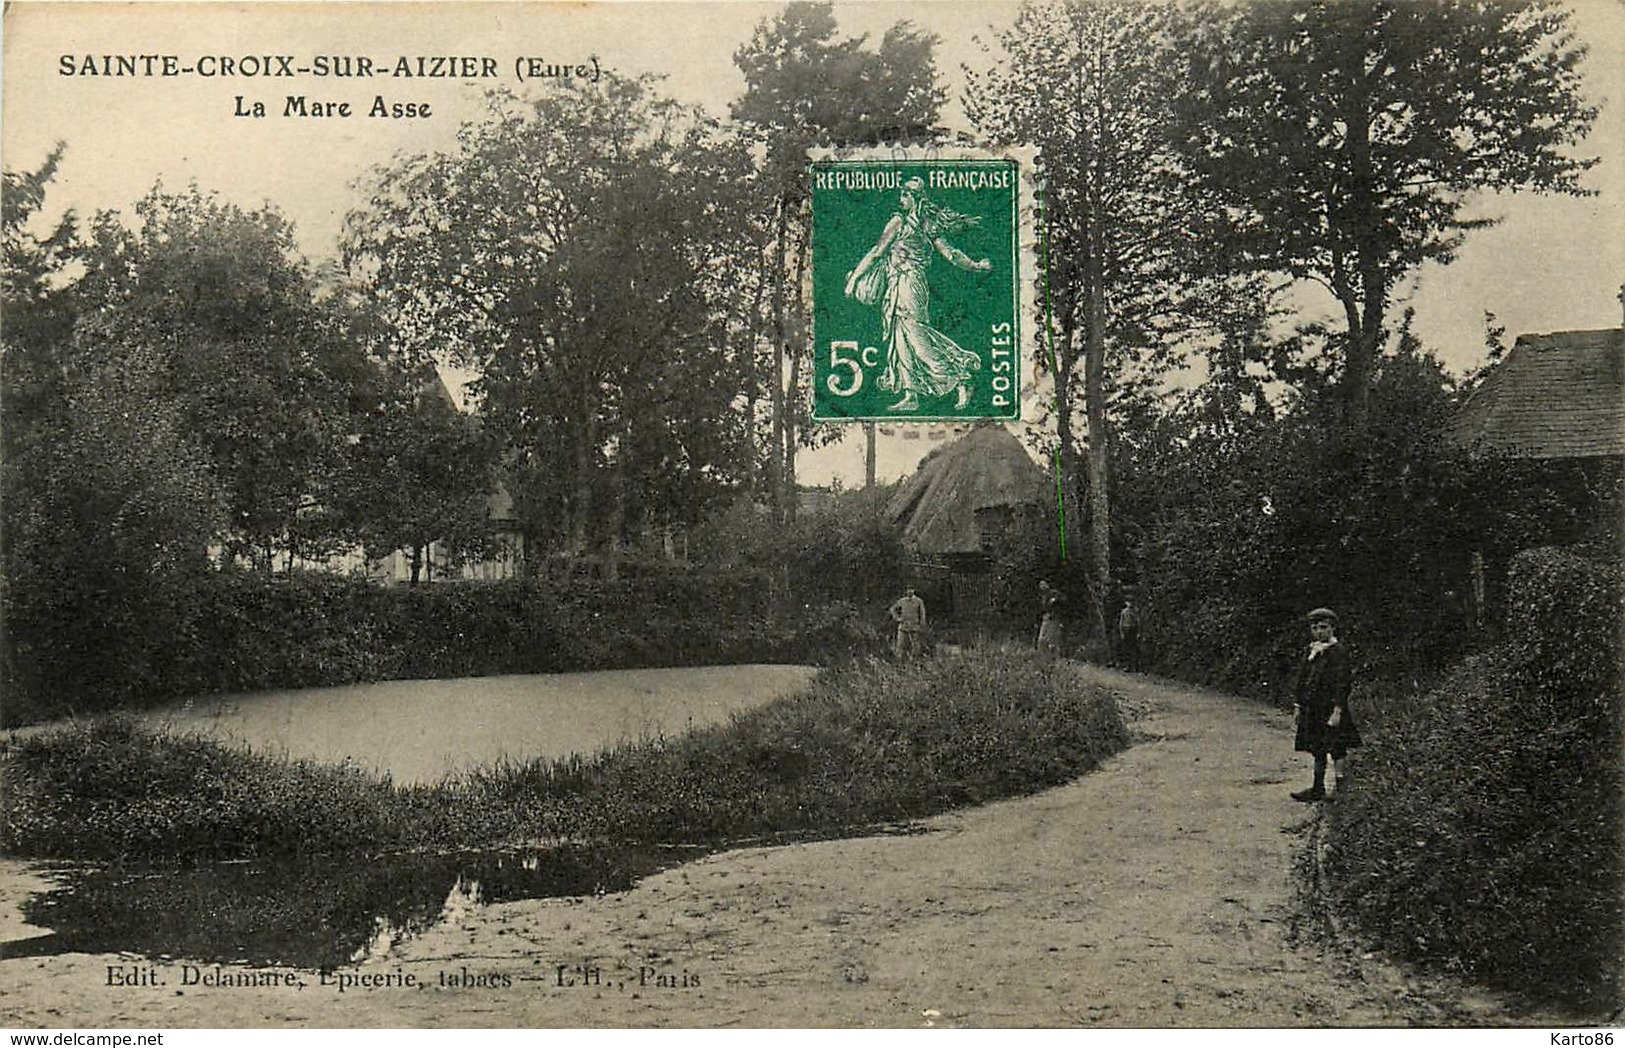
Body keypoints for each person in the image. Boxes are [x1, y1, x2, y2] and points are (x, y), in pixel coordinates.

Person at [843, 177, 991, 412]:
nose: (900, 199)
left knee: (916, 336)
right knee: (899, 337)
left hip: (910, 284)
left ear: (913, 198)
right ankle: (911, 394)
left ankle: (961, 376)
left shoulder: (911, 223)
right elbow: (878, 252)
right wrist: (976, 266)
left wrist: (975, 266)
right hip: (897, 284)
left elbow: (949, 254)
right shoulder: (909, 223)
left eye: (904, 195)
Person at [1291, 607, 1361, 802]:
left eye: (1324, 627)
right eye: (1315, 628)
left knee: (1337, 747)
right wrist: (1298, 705)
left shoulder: (1338, 652)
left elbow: (1342, 683)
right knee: (1317, 747)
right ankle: (1317, 788)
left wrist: (1337, 710)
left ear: (1332, 628)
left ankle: (1341, 790)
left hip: (1330, 708)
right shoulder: (1312, 651)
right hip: (1313, 709)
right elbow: (1301, 680)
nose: (1319, 632)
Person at [889, 587, 927, 660]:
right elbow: (893, 609)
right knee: (900, 646)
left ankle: (915, 662)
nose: (909, 591)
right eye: (908, 590)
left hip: (914, 627)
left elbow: (922, 614)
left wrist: (921, 624)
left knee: (915, 647)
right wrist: (897, 618)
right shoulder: (902, 601)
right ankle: (900, 663)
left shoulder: (918, 601)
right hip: (903, 627)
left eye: (911, 589)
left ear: (914, 590)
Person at [1036, 581, 1064, 653]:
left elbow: (1063, 599)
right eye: (1041, 585)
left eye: (1044, 584)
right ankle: (1042, 654)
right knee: (1042, 638)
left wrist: (1055, 600)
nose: (1042, 586)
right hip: (1046, 617)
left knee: (1052, 638)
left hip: (1053, 618)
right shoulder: (1042, 596)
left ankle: (1054, 654)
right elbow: (1043, 608)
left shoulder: (1054, 593)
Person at [1117, 598, 1141, 672]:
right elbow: (1121, 623)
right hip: (1126, 629)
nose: (1130, 604)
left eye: (1131, 602)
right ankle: (1128, 666)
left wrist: (1138, 632)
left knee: (1133, 648)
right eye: (1128, 602)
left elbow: (1138, 622)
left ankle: (1135, 666)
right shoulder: (1124, 611)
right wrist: (1122, 633)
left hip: (1133, 629)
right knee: (1126, 649)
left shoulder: (1135, 612)